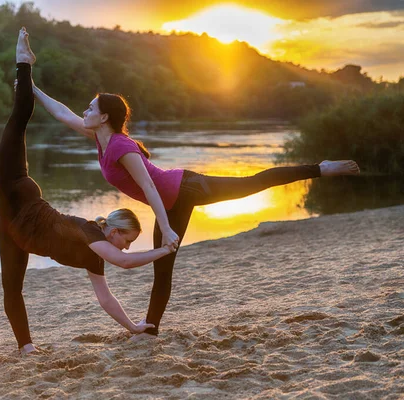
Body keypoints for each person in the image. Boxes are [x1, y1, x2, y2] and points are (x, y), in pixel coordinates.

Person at [28, 33, 361, 340]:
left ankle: (320, 168)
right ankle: (150, 330)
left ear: (104, 117)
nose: (84, 111)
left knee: (251, 184)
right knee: (163, 270)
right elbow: (60, 111)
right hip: (169, 204)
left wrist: (168, 230)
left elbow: (149, 187)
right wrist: (29, 83)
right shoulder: (98, 137)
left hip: (186, 187)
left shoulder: (120, 146)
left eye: (91, 107)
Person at [0, 28, 175, 355]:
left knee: (12, 287)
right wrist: (164, 250)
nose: (126, 246)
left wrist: (133, 326)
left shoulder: (96, 255)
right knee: (18, 120)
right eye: (128, 239)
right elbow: (124, 262)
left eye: (130, 243)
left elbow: (105, 298)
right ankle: (23, 62)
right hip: (16, 194)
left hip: (12, 228)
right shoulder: (90, 232)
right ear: (113, 230)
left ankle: (26, 348)